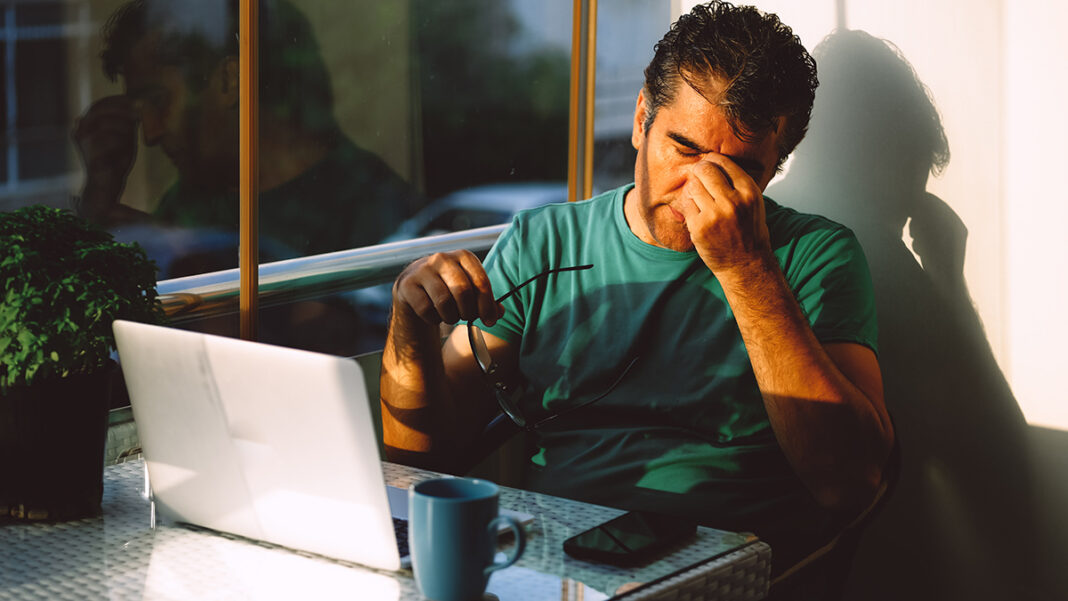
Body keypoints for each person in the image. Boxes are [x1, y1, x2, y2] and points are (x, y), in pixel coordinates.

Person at [380, 0, 895, 592]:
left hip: (724, 571)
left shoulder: (815, 256)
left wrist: (748, 272)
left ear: (776, 167)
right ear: (641, 118)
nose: (703, 186)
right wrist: (411, 329)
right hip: (553, 562)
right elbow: (418, 466)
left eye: (742, 170)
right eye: (684, 148)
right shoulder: (544, 243)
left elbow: (850, 481)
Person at [73, 0, 419, 354]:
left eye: (159, 102)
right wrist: (100, 199)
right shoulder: (191, 200)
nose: (150, 134)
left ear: (230, 79)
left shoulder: (374, 207)